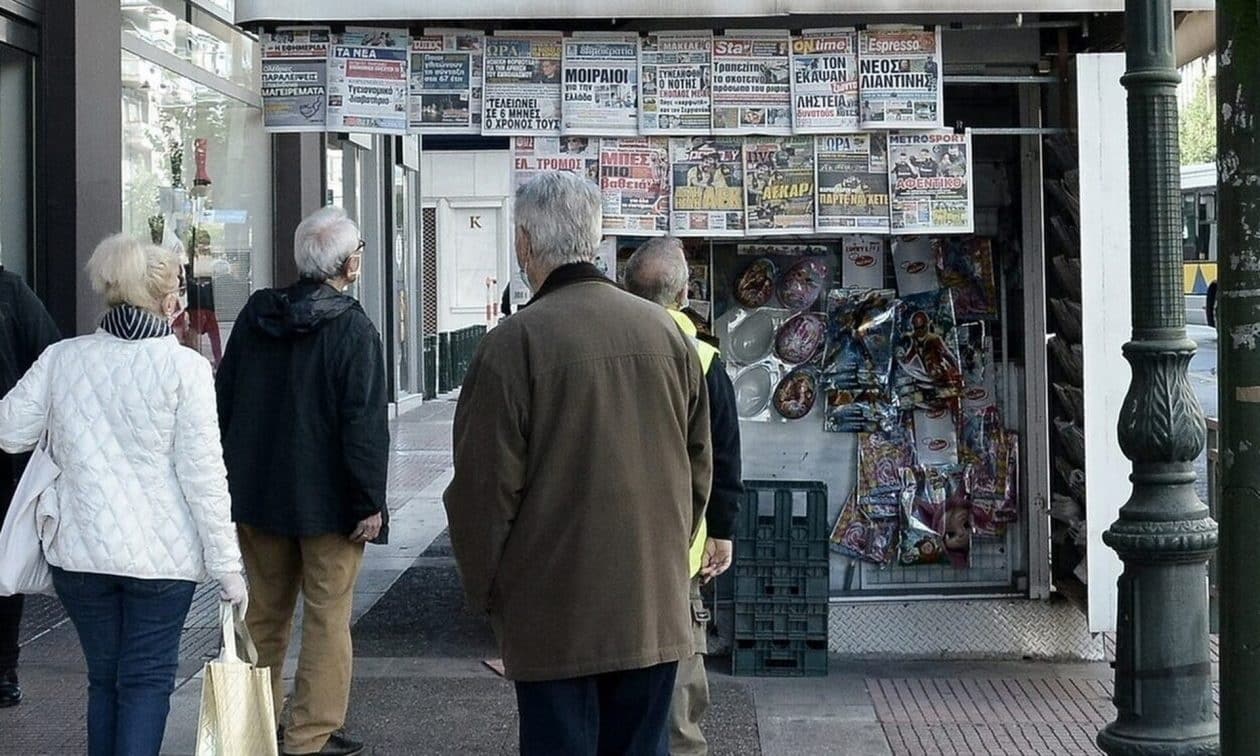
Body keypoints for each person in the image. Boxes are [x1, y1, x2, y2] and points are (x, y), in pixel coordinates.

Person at [444, 172, 712, 756]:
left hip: (552, 614)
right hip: (652, 607)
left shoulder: (512, 345)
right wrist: (664, 557)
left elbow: (482, 495)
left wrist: (488, 593)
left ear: (523, 244)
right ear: (594, 240)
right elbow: (698, 473)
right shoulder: (668, 335)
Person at [0, 234, 245, 754]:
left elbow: (9, 431)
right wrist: (228, 567)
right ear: (165, 301)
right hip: (163, 561)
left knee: (104, 680)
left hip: (81, 554)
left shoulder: (62, 358)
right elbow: (203, 476)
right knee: (146, 682)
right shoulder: (186, 369)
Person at [215, 207, 388, 756]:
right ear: (350, 263)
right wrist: (370, 502)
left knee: (263, 614)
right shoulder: (353, 328)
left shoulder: (255, 315)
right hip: (330, 504)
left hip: (259, 495)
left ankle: (250, 733)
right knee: (327, 616)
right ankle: (309, 734)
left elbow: (225, 402)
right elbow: (362, 425)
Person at [625, 237, 743, 756]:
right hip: (680, 547)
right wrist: (722, 531)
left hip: (612, 543)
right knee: (678, 669)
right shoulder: (704, 357)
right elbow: (723, 455)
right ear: (684, 291)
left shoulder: (608, 343)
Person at [0, 258, 60, 708]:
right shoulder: (11, 292)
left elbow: (48, 359)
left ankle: (3, 666)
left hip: (4, 452)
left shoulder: (10, 292)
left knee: (4, 564)